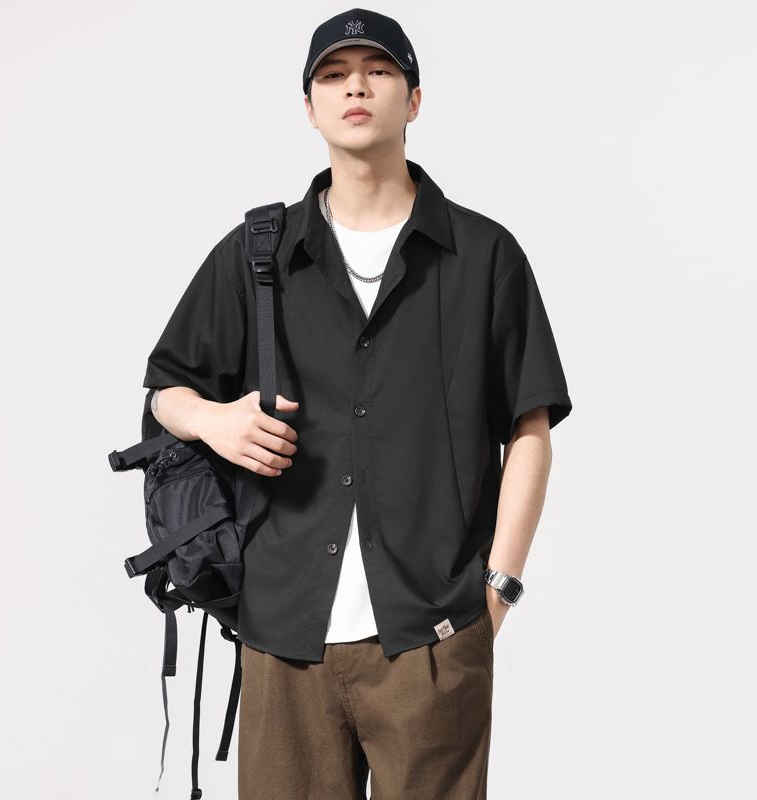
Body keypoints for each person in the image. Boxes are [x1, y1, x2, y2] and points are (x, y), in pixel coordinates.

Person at [142, 8, 573, 798]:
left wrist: (496, 594)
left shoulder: (484, 257)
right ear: (309, 108)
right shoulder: (258, 256)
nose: (356, 88)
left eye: (379, 70)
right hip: (282, 638)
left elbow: (530, 428)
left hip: (433, 637)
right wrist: (213, 419)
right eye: (334, 75)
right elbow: (166, 389)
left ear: (414, 100)